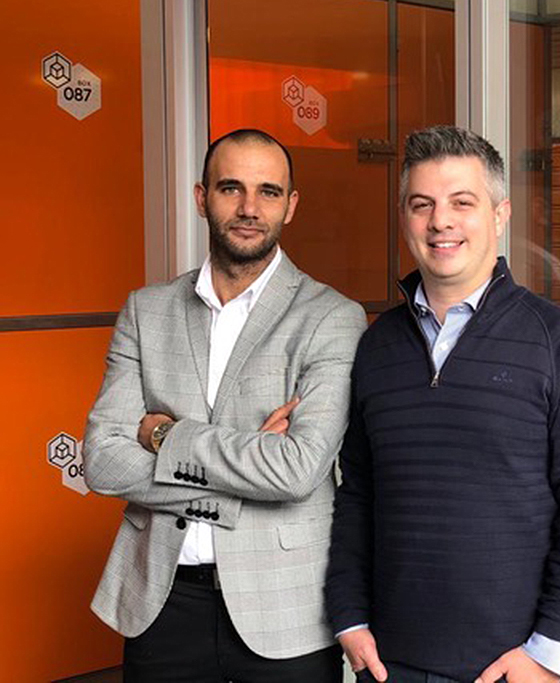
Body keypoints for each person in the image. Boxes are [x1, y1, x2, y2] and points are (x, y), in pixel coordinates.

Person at [326, 125, 560, 683]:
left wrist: (551, 651)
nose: (440, 221)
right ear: (404, 218)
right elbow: (358, 494)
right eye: (422, 204)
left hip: (515, 667)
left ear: (499, 214)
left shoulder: (559, 341)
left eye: (462, 203)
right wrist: (349, 616)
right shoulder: (378, 346)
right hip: (389, 665)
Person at [83, 128, 366, 682]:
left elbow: (295, 471)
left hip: (286, 608)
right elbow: (103, 460)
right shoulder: (146, 311)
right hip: (161, 603)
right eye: (231, 188)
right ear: (201, 197)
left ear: (291, 205)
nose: (249, 208)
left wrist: (165, 436)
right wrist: (250, 468)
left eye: (268, 192)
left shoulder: (333, 317)